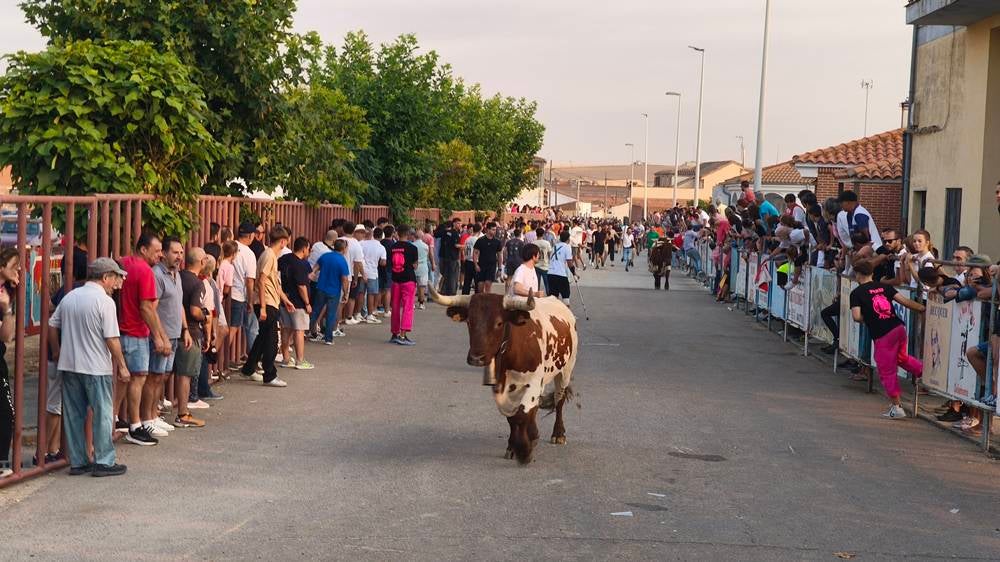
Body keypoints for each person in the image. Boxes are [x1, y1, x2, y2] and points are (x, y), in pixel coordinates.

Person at [48, 258, 130, 477]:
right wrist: (122, 366)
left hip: (70, 365)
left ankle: (78, 461)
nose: (116, 284)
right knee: (102, 414)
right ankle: (104, 461)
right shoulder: (105, 302)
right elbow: (111, 338)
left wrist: (57, 352)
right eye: (115, 278)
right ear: (105, 277)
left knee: (74, 415)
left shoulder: (70, 297)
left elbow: (52, 325)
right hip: (96, 367)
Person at [849, 259, 924, 419]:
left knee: (886, 370)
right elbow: (905, 302)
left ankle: (897, 407)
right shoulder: (885, 287)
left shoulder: (856, 293)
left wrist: (870, 317)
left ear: (858, 274)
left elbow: (856, 316)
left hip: (882, 334)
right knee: (902, 358)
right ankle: (924, 372)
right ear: (872, 273)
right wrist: (922, 308)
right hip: (898, 327)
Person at [118, 234, 171, 445]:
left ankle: (115, 418)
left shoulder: (122, 263)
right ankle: (135, 425)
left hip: (118, 330)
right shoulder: (145, 271)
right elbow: (147, 307)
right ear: (143, 249)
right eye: (156, 251)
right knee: (138, 378)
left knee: (122, 379)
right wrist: (158, 336)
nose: (160, 255)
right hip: (136, 331)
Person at [241, 227, 291, 387]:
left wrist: (285, 300)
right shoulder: (270, 255)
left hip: (269, 301)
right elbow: (261, 281)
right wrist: (262, 306)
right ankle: (269, 375)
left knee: (262, 338)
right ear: (282, 242)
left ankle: (248, 368)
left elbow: (273, 282)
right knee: (271, 340)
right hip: (267, 302)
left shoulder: (269, 255)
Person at [278, 236, 316, 369]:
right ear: (304, 249)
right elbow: (301, 286)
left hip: (285, 299)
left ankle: (286, 358)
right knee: (299, 330)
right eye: (309, 249)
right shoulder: (301, 264)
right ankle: (300, 360)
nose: (309, 252)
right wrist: (307, 303)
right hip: (298, 303)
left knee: (286, 329)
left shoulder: (284, 259)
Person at [0, 249, 19, 478]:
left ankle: (2, 461)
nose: (18, 271)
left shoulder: (7, 292)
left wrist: (8, 308)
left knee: (6, 411)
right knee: (5, 411)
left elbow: (8, 336)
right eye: (14, 266)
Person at [311, 239, 351, 344]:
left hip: (321, 287)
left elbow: (316, 266)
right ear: (343, 249)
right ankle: (328, 338)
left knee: (316, 311)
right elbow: (344, 279)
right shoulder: (342, 261)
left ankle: (311, 332)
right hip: (334, 291)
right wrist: (345, 293)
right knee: (331, 314)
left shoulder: (325, 256)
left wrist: (313, 273)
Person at [232, 223, 259, 360]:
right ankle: (253, 360)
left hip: (227, 292)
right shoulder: (249, 254)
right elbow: (249, 281)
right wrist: (250, 301)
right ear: (251, 235)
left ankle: (219, 361)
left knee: (230, 326)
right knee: (241, 327)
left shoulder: (230, 246)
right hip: (239, 295)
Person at [389, 225, 419, 345]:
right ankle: (403, 335)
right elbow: (415, 265)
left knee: (395, 306)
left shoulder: (392, 247)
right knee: (408, 307)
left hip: (395, 279)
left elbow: (390, 262)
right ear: (408, 234)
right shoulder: (413, 248)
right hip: (408, 279)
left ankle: (394, 333)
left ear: (398, 233)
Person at [341, 223, 367, 325]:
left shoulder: (339, 240)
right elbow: (357, 263)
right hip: (350, 274)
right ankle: (349, 316)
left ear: (343, 229)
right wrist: (359, 276)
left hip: (338, 272)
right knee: (351, 297)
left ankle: (340, 318)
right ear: (354, 231)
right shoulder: (356, 244)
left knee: (339, 298)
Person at [360, 227, 386, 324]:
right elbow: (383, 262)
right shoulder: (381, 247)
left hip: (362, 272)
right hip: (373, 273)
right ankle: (370, 315)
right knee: (371, 294)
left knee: (361, 293)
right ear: (381, 236)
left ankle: (358, 313)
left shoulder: (363, 243)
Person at [473, 222, 502, 294]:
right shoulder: (480, 240)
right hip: (481, 265)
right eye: (493, 229)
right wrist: (475, 264)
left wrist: (500, 268)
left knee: (488, 284)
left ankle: (487, 300)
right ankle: (481, 300)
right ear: (488, 230)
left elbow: (499, 255)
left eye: (495, 230)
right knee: (480, 286)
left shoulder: (497, 241)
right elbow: (475, 252)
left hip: (491, 266)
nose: (494, 231)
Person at [547, 230, 574, 304]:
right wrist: (574, 273)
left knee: (553, 298)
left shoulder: (554, 246)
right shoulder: (567, 247)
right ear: (568, 239)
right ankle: (566, 311)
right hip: (561, 274)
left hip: (550, 274)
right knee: (566, 297)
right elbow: (569, 262)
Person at [439, 218, 462, 296]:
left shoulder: (447, 233)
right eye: (458, 223)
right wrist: (464, 246)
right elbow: (456, 245)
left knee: (447, 274)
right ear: (454, 224)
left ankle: (444, 291)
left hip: (446, 256)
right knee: (453, 275)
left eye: (460, 223)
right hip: (453, 257)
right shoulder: (455, 233)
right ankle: (451, 292)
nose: (460, 225)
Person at [413, 228, 433, 309]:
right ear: (422, 236)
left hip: (413, 267)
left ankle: (412, 303)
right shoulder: (426, 246)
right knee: (422, 287)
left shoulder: (412, 245)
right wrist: (433, 264)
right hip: (423, 267)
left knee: (413, 287)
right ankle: (421, 303)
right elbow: (429, 255)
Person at [461, 223, 482, 295]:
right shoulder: (477, 240)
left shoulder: (468, 238)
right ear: (480, 230)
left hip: (467, 260)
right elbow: (478, 252)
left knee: (467, 281)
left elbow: (464, 248)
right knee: (477, 281)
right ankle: (477, 297)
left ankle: (464, 296)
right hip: (475, 261)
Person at [534, 227, 552, 294]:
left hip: (536, 265)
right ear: (543, 234)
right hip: (545, 265)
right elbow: (549, 253)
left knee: (536, 283)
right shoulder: (546, 243)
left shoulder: (533, 243)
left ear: (536, 234)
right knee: (547, 283)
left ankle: (536, 295)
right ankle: (549, 295)